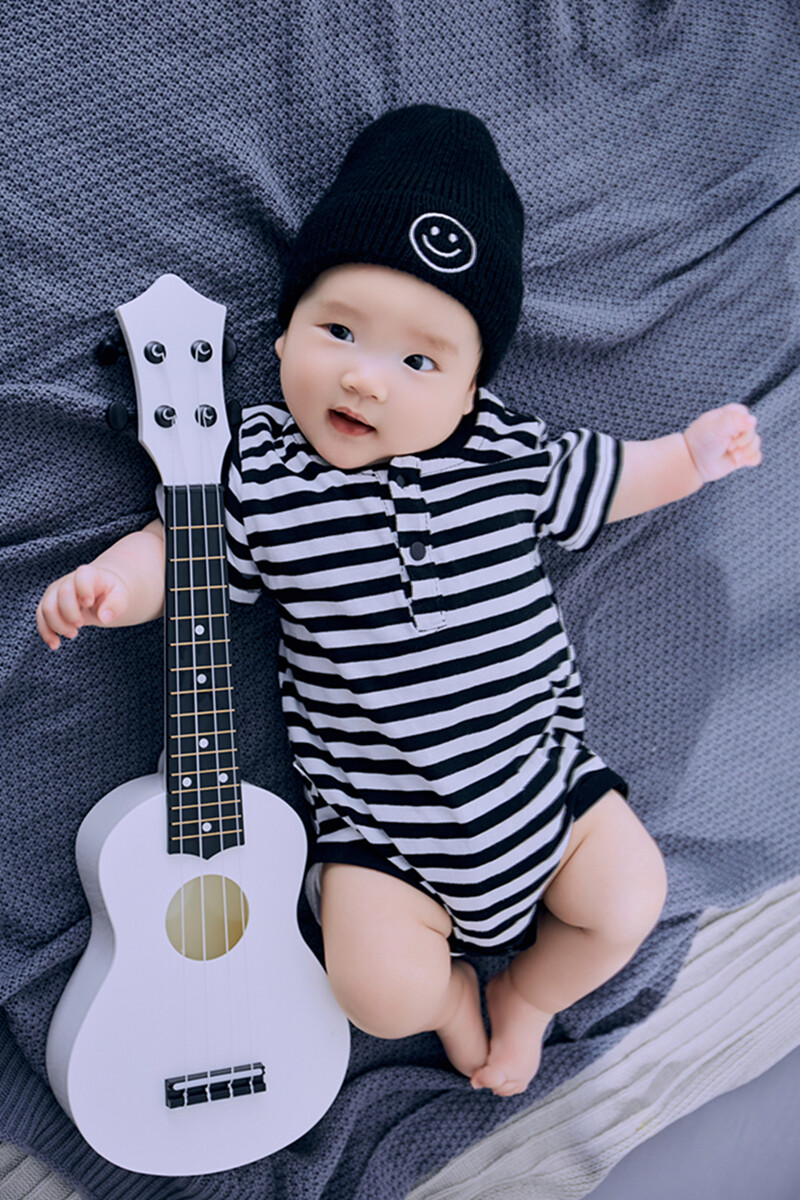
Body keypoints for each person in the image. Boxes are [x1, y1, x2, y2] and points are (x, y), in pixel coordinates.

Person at [36, 106, 762, 1098]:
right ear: (282, 335)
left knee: (628, 899)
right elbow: (184, 550)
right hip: (384, 846)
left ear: (469, 391)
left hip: (546, 792)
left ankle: (527, 998)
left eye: (419, 361)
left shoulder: (504, 451)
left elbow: (613, 480)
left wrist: (688, 456)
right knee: (374, 992)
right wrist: (114, 585)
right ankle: (450, 999)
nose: (364, 378)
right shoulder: (260, 471)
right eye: (338, 330)